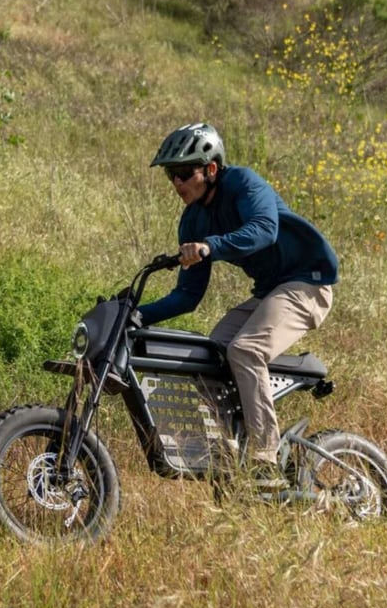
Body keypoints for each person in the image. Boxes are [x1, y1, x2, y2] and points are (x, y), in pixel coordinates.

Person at [138, 122, 339, 466]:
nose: (177, 183)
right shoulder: (192, 222)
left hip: (307, 283)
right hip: (270, 293)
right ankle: (231, 446)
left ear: (211, 168)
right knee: (208, 354)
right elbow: (188, 296)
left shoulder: (244, 183)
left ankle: (264, 455)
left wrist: (209, 247)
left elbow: (265, 230)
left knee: (246, 350)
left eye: (185, 172)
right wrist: (135, 313)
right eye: (171, 174)